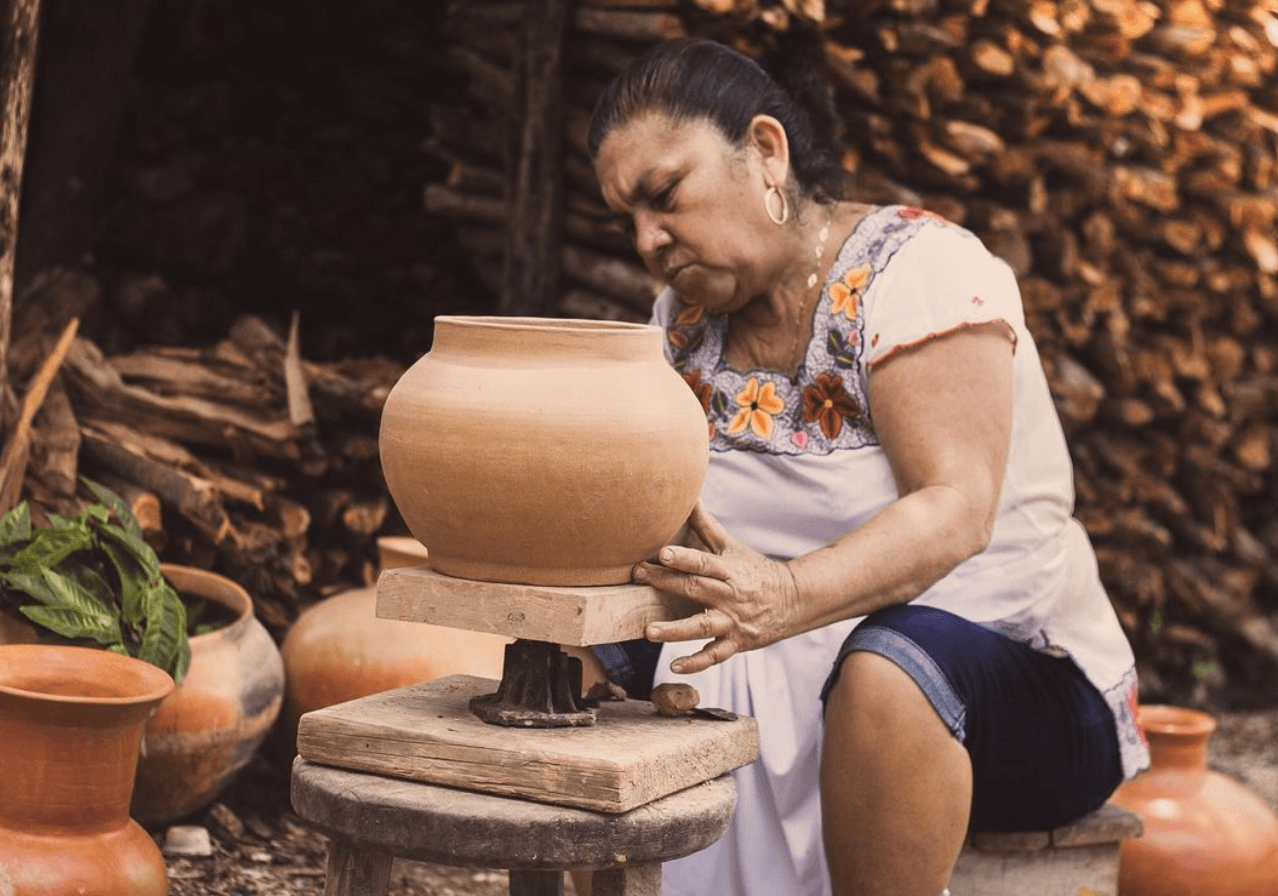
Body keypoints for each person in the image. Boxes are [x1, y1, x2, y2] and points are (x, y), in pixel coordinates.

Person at [578, 37, 1150, 896]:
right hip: (774, 662)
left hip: (1004, 681)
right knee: (574, 655)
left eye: (664, 196)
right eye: (627, 218)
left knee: (885, 668)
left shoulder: (918, 274)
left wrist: (789, 596)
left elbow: (959, 508)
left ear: (766, 152)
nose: (649, 240)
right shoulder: (682, 323)